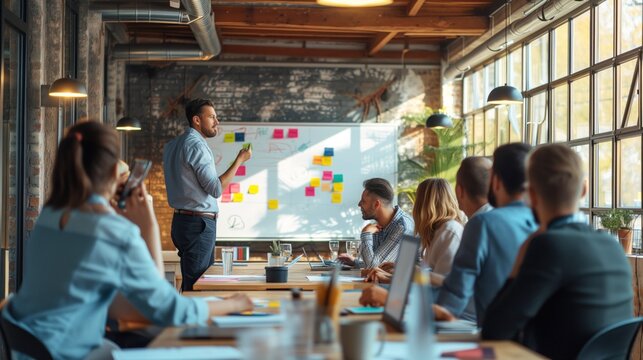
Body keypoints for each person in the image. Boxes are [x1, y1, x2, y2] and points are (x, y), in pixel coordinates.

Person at [2, 122, 253, 359]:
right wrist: (232, 303)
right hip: (74, 351)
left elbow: (111, 302)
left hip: (31, 347)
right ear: (115, 171)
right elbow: (170, 311)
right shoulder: (113, 231)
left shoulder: (50, 215)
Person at [479, 144, 633, 359]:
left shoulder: (548, 245)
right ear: (583, 190)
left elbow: (495, 330)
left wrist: (518, 262)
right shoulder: (612, 246)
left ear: (531, 194)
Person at [431, 143, 537, 325]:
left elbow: (452, 301)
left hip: (493, 335)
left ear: (495, 183)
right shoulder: (543, 221)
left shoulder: (483, 225)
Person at [163, 98, 251, 291]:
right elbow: (216, 189)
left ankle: (186, 318)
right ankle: (189, 320)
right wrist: (239, 160)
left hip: (181, 222)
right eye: (211, 117)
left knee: (191, 281)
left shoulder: (172, 146)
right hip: (198, 225)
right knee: (197, 286)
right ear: (196, 120)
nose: (216, 122)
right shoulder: (197, 146)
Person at [362, 178, 465, 284]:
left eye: (417, 200)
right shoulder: (437, 232)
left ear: (424, 205)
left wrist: (365, 234)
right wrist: (396, 273)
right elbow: (430, 277)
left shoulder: (449, 232)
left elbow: (444, 285)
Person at [337, 178, 414, 268]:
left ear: (376, 204)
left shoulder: (402, 227)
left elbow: (374, 267)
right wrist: (355, 262)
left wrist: (365, 233)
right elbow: (379, 262)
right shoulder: (379, 225)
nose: (359, 204)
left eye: (363, 201)